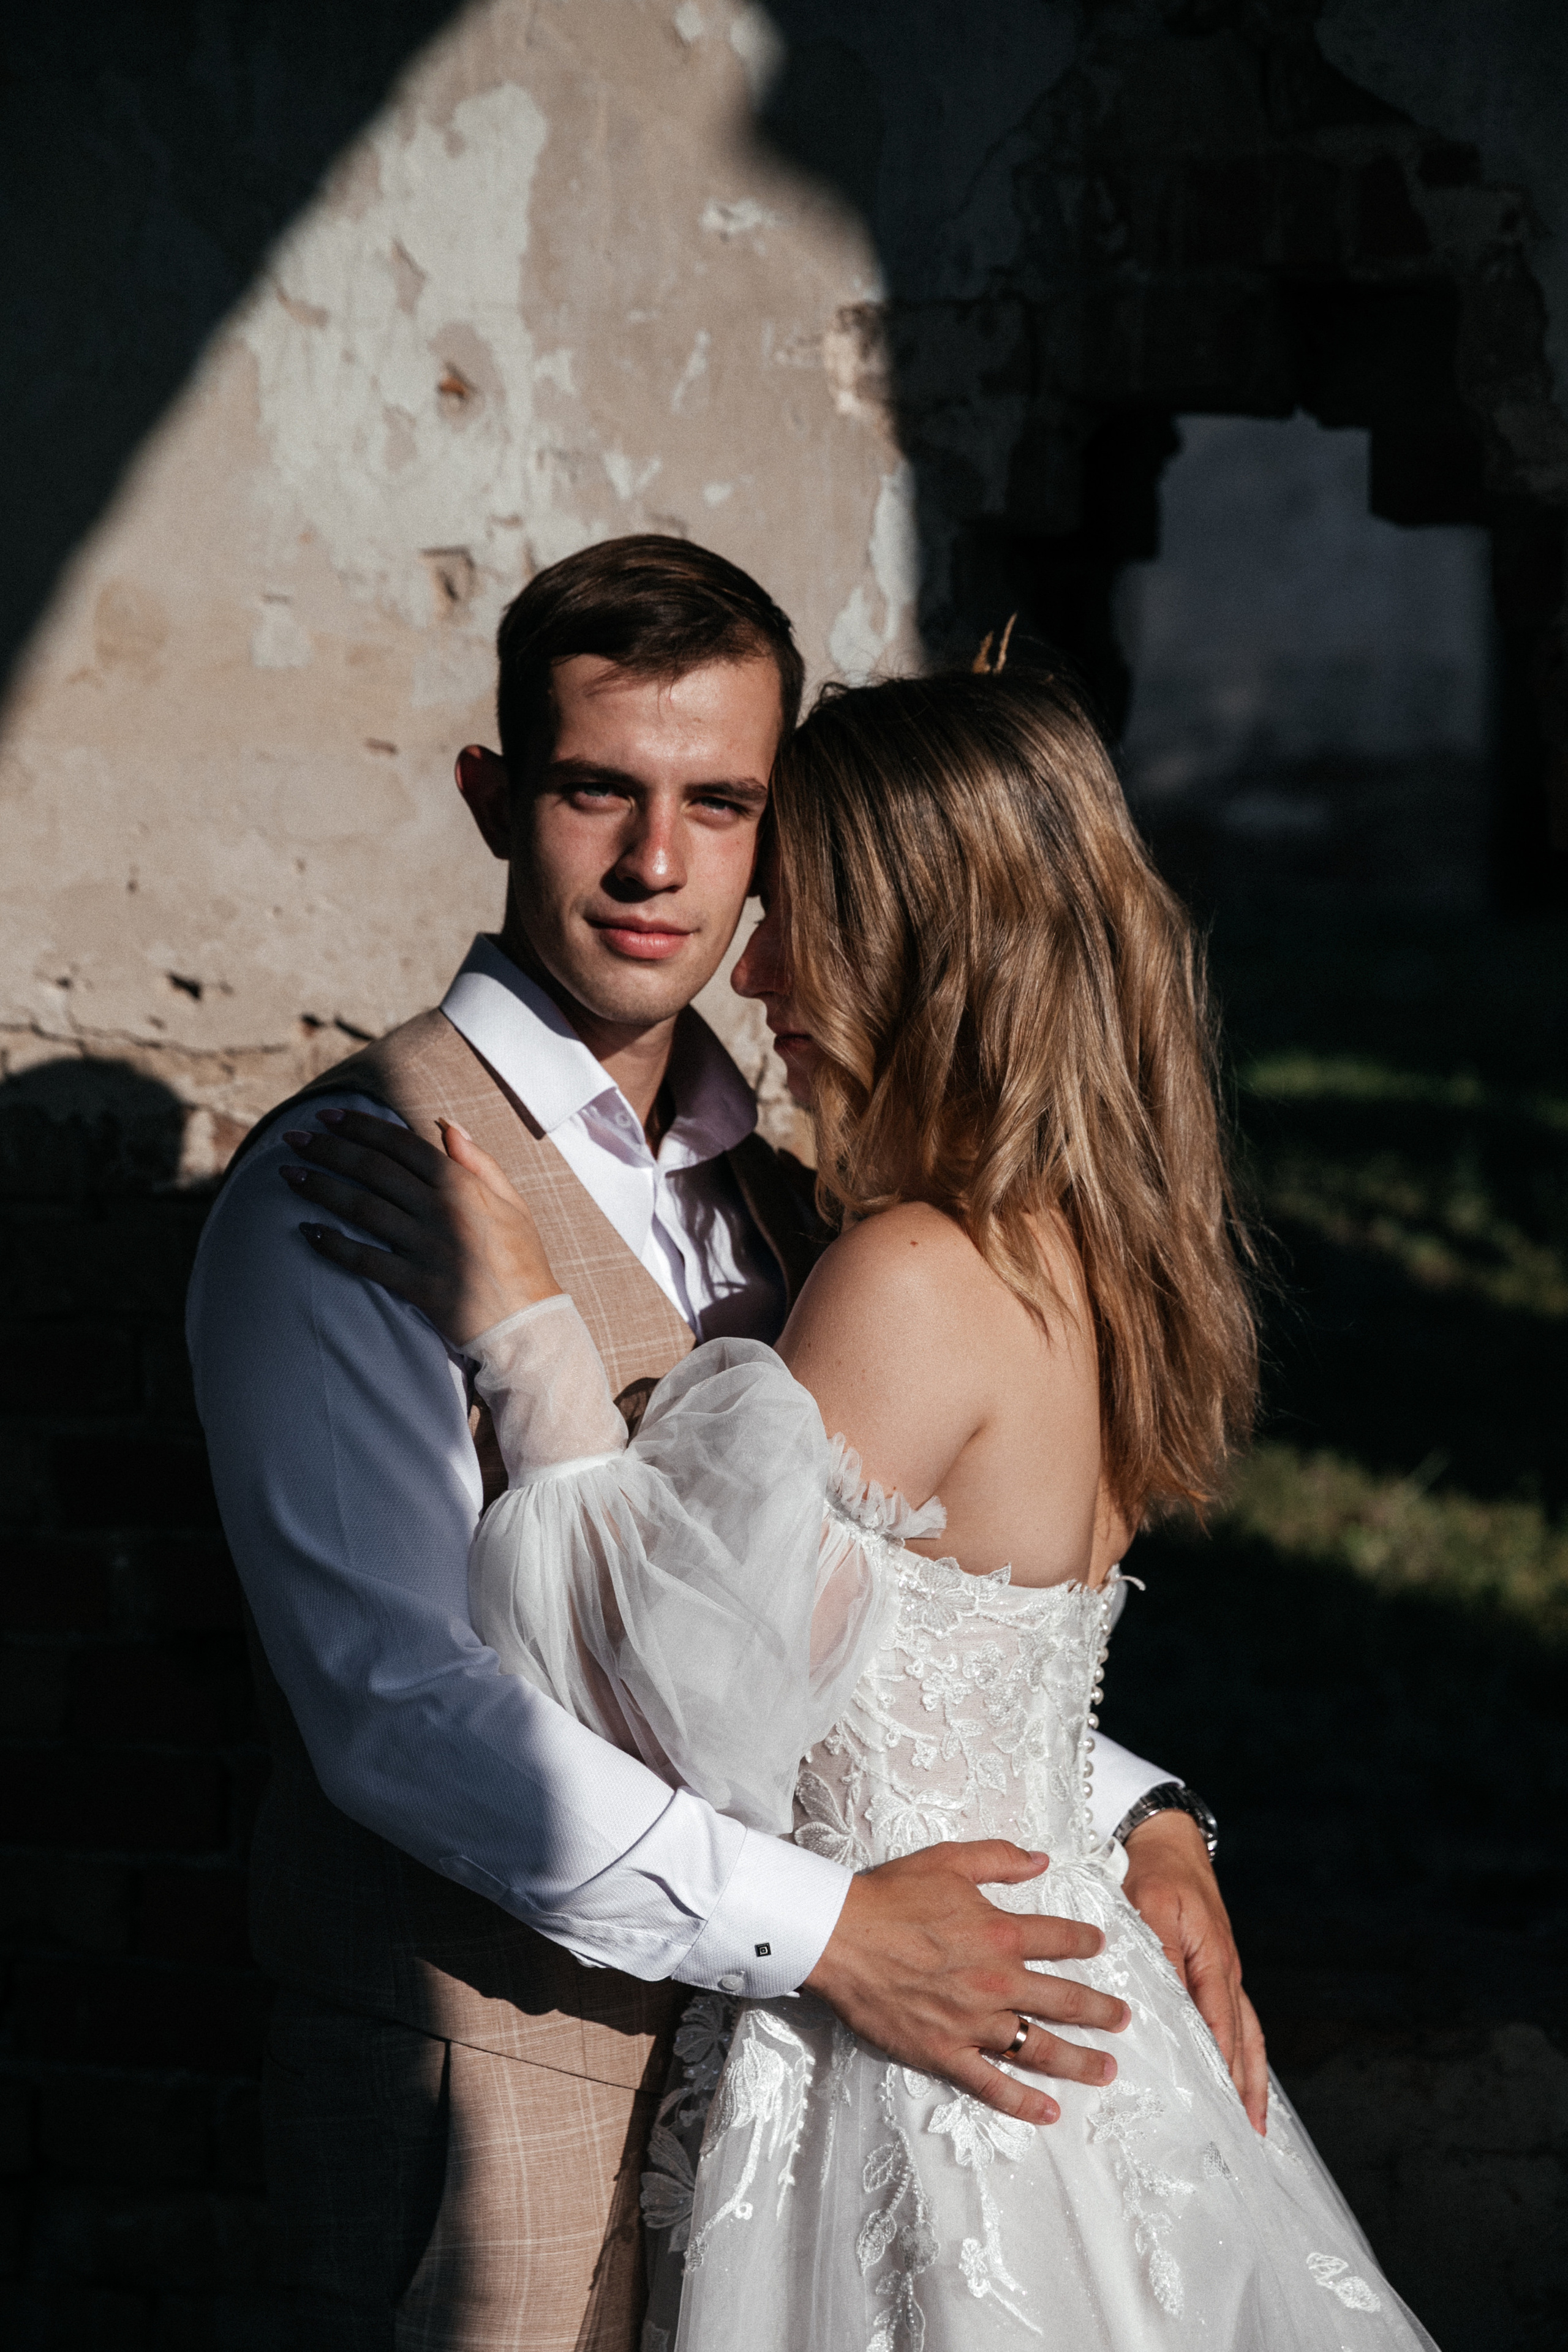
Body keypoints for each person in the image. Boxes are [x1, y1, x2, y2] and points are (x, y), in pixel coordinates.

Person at [284, 658, 1439, 2349]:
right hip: (1076, 2011)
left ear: (926, 947)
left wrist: (528, 1339)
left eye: (804, 917)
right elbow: (964, 1660)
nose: (755, 968)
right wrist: (1157, 1817)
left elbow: (681, 1697)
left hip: (916, 2057)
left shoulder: (907, 1274)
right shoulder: (1099, 1259)